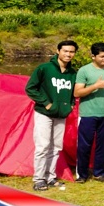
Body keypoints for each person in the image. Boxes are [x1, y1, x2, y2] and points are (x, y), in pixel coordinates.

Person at [25, 40, 78, 191]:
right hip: (44, 113)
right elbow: (30, 88)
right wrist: (46, 103)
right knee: (42, 146)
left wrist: (71, 105)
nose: (68, 54)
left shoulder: (73, 73)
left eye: (71, 52)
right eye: (65, 51)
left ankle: (50, 177)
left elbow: (73, 93)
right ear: (58, 51)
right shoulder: (44, 68)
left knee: (56, 147)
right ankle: (39, 179)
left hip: (61, 114)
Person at [73, 42, 104, 183]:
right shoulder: (84, 70)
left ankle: (100, 173)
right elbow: (77, 92)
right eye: (102, 56)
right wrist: (95, 86)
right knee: (84, 145)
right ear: (93, 56)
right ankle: (82, 174)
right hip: (88, 114)